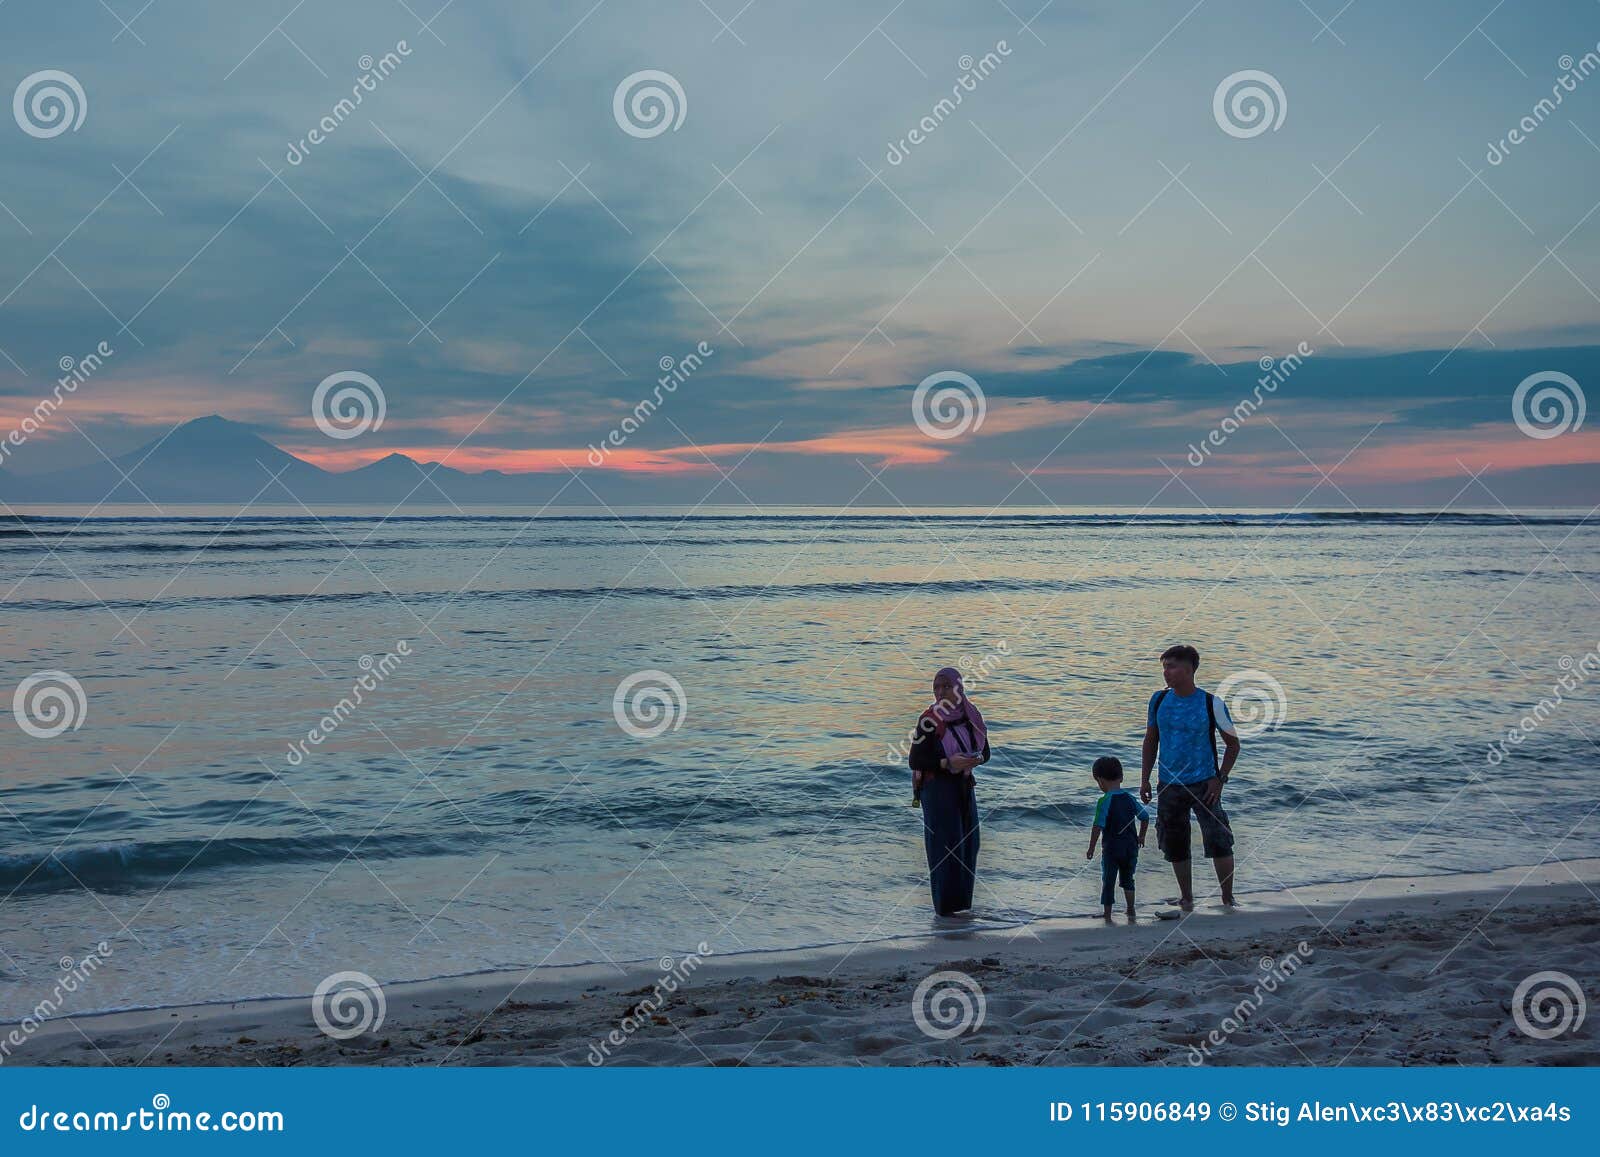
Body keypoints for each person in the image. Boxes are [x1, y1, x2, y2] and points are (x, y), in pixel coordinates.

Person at [1140, 644, 1240, 910]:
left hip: (1205, 782)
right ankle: (1187, 897)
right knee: (1174, 843)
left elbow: (1233, 745)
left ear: (1188, 669)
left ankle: (1227, 898)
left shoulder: (1211, 703)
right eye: (1164, 667)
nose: (1166, 673)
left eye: (1171, 667)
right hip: (1169, 784)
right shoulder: (1158, 700)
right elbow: (1151, 741)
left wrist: (1221, 779)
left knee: (1219, 839)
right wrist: (1145, 778)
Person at [907, 666, 989, 916]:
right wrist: (947, 763)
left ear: (959, 688)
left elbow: (986, 752)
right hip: (937, 789)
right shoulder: (928, 721)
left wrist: (973, 760)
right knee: (945, 847)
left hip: (963, 785)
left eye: (945, 686)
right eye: (936, 688)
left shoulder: (970, 715)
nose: (940, 692)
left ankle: (962, 908)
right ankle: (944, 910)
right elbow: (916, 759)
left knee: (969, 843)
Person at [1085, 755, 1150, 920]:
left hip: (1112, 848)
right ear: (1121, 777)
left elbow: (1097, 826)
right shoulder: (1129, 798)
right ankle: (1130, 909)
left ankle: (1107, 914)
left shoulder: (1104, 801)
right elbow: (1145, 817)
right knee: (1128, 878)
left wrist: (1091, 847)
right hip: (1130, 847)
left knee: (1108, 880)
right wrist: (1141, 836)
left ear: (1099, 781)